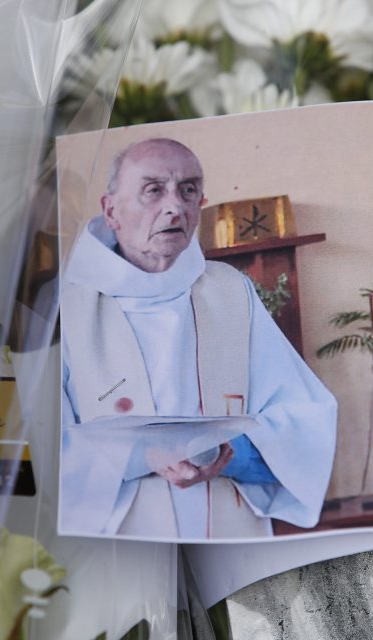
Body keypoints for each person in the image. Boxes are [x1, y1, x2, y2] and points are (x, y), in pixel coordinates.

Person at [60, 137, 337, 539]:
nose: (175, 206)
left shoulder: (229, 290)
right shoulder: (69, 309)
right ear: (111, 210)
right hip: (118, 533)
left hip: (228, 523)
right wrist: (144, 457)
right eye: (153, 190)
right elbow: (43, 444)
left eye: (188, 190)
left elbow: (302, 412)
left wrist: (226, 453)